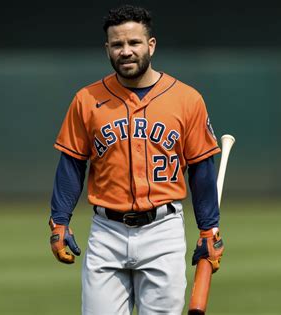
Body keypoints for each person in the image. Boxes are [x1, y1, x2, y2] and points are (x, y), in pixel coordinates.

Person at [48, 4, 224, 315]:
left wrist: (209, 229)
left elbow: (200, 169)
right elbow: (72, 164)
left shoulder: (187, 99)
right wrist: (59, 220)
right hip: (107, 231)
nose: (125, 51)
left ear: (151, 45)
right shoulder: (86, 100)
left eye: (134, 43)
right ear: (107, 49)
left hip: (163, 231)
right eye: (117, 44)